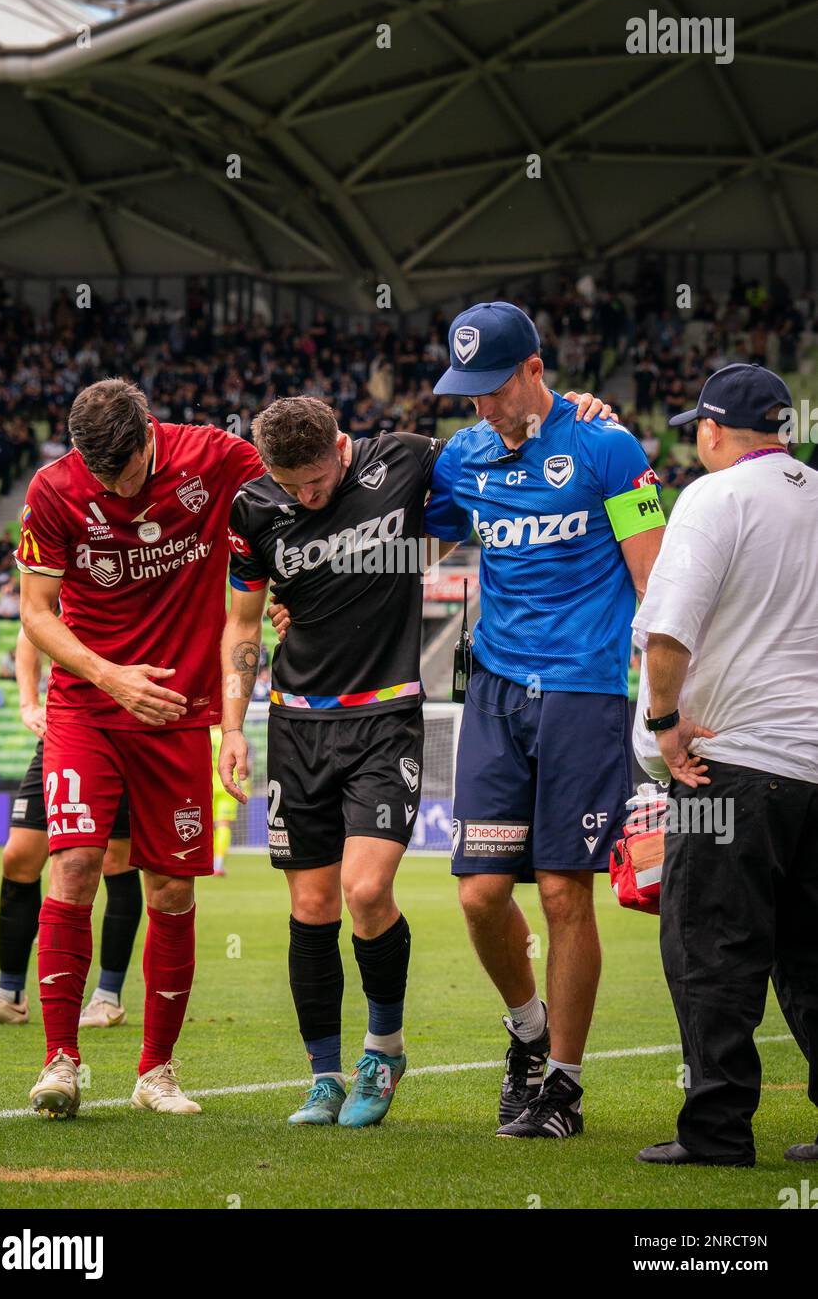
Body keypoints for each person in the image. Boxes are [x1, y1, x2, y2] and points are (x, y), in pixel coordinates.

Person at [220, 388, 613, 1130]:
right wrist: (233, 725)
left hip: (385, 716)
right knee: (309, 908)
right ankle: (324, 1078)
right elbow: (242, 619)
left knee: (366, 892)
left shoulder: (402, 459)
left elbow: (501, 438)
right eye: (290, 486)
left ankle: (384, 1049)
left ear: (341, 447)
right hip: (295, 725)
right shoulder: (252, 510)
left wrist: (570, 408)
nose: (305, 497)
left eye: (317, 482)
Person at [424, 301, 665, 1141]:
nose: (481, 407)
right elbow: (402, 531)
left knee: (565, 892)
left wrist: (667, 707)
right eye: (468, 394)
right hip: (493, 692)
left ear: (534, 370)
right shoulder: (463, 456)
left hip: (584, 693)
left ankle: (562, 1085)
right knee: (480, 893)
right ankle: (526, 1032)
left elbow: (656, 581)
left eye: (492, 388)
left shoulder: (610, 446)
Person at [16, 378, 262, 1118]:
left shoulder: (216, 458)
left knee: (172, 891)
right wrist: (107, 676)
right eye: (100, 473)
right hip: (87, 707)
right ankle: (62, 1062)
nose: (113, 487)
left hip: (179, 714)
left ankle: (157, 1071)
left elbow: (302, 486)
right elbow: (36, 611)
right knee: (76, 864)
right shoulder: (53, 489)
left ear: (150, 433)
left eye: (123, 470)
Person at [631, 362, 818, 1167]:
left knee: (710, 947)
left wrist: (666, 726)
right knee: (812, 954)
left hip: (734, 764)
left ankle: (716, 1130)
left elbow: (668, 631)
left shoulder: (714, 496)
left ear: (711, 430)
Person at [0, 628, 142, 1030]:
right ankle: (9, 995)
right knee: (19, 856)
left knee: (115, 860)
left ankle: (108, 997)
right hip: (65, 728)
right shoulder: (63, 573)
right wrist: (27, 704)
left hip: (125, 730)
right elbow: (28, 632)